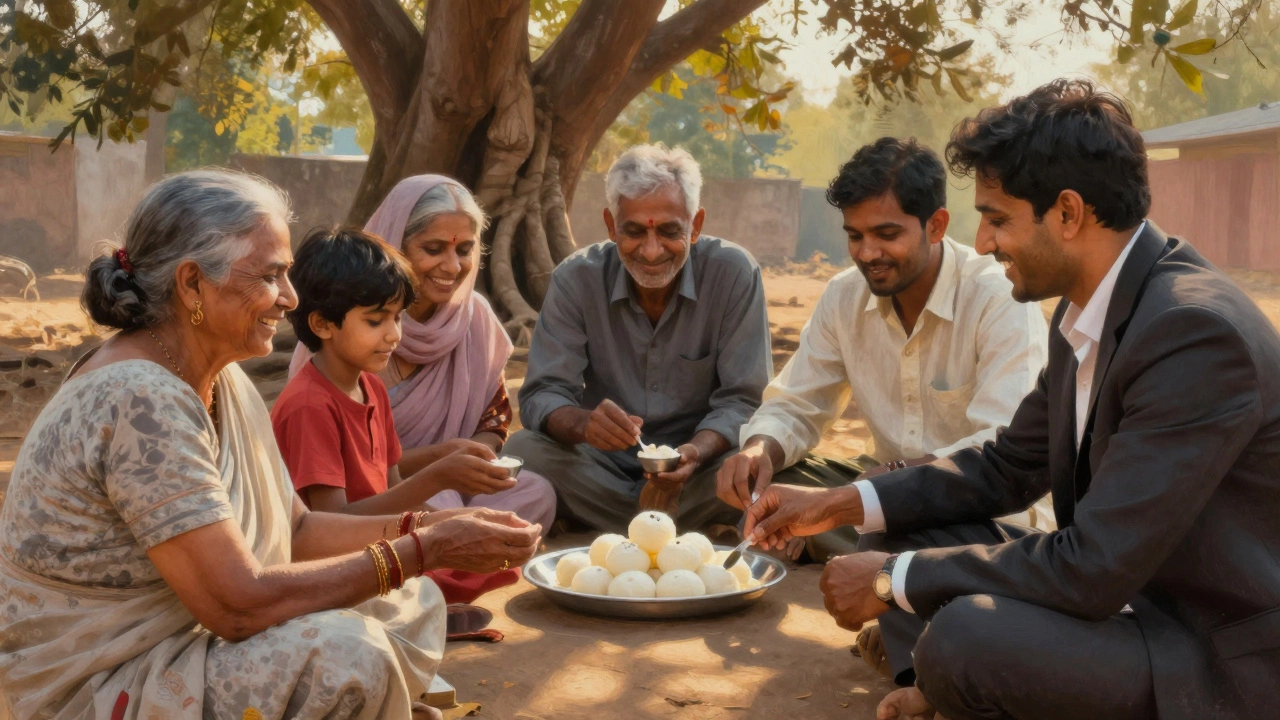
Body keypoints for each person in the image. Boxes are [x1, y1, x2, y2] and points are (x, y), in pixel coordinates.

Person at [744, 79, 1280, 720]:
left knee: (968, 636)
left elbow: (1091, 568)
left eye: (998, 219)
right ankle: (945, 683)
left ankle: (948, 677)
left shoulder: (1193, 333)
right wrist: (837, 505)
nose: (986, 240)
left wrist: (893, 579)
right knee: (903, 536)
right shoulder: (1087, 314)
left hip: (1209, 654)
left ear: (1069, 213)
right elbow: (1004, 466)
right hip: (1129, 606)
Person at [0, 170, 540, 720]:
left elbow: (297, 530)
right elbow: (236, 606)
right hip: (106, 680)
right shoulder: (139, 399)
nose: (290, 298)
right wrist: (428, 550)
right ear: (192, 285)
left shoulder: (219, 377)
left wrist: (429, 532)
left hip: (187, 638)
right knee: (349, 657)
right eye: (272, 276)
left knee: (410, 600)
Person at [717, 137, 1049, 566]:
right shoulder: (844, 297)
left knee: (927, 533)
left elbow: (1002, 448)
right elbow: (797, 403)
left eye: (886, 234)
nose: (868, 253)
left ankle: (874, 557)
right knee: (770, 484)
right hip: (878, 495)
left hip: (983, 505)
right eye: (855, 236)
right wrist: (759, 450)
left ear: (937, 225)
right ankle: (858, 546)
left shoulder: (998, 297)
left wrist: (879, 487)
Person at [505, 144, 772, 533]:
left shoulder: (733, 274)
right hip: (600, 463)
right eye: (633, 232)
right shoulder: (576, 278)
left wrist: (695, 452)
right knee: (522, 450)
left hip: (700, 467)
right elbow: (543, 394)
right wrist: (584, 425)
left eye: (669, 231)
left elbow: (744, 399)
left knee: (765, 458)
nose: (650, 251)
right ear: (611, 226)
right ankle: (674, 523)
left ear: (695, 226)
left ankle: (624, 521)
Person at [288, 175, 556, 533]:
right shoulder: (334, 347)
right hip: (369, 506)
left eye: (464, 250)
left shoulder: (473, 320)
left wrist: (470, 462)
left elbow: (493, 419)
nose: (452, 266)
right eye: (433, 249)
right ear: (396, 244)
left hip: (435, 487)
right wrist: (438, 467)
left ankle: (463, 542)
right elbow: (341, 505)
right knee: (444, 507)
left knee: (534, 491)